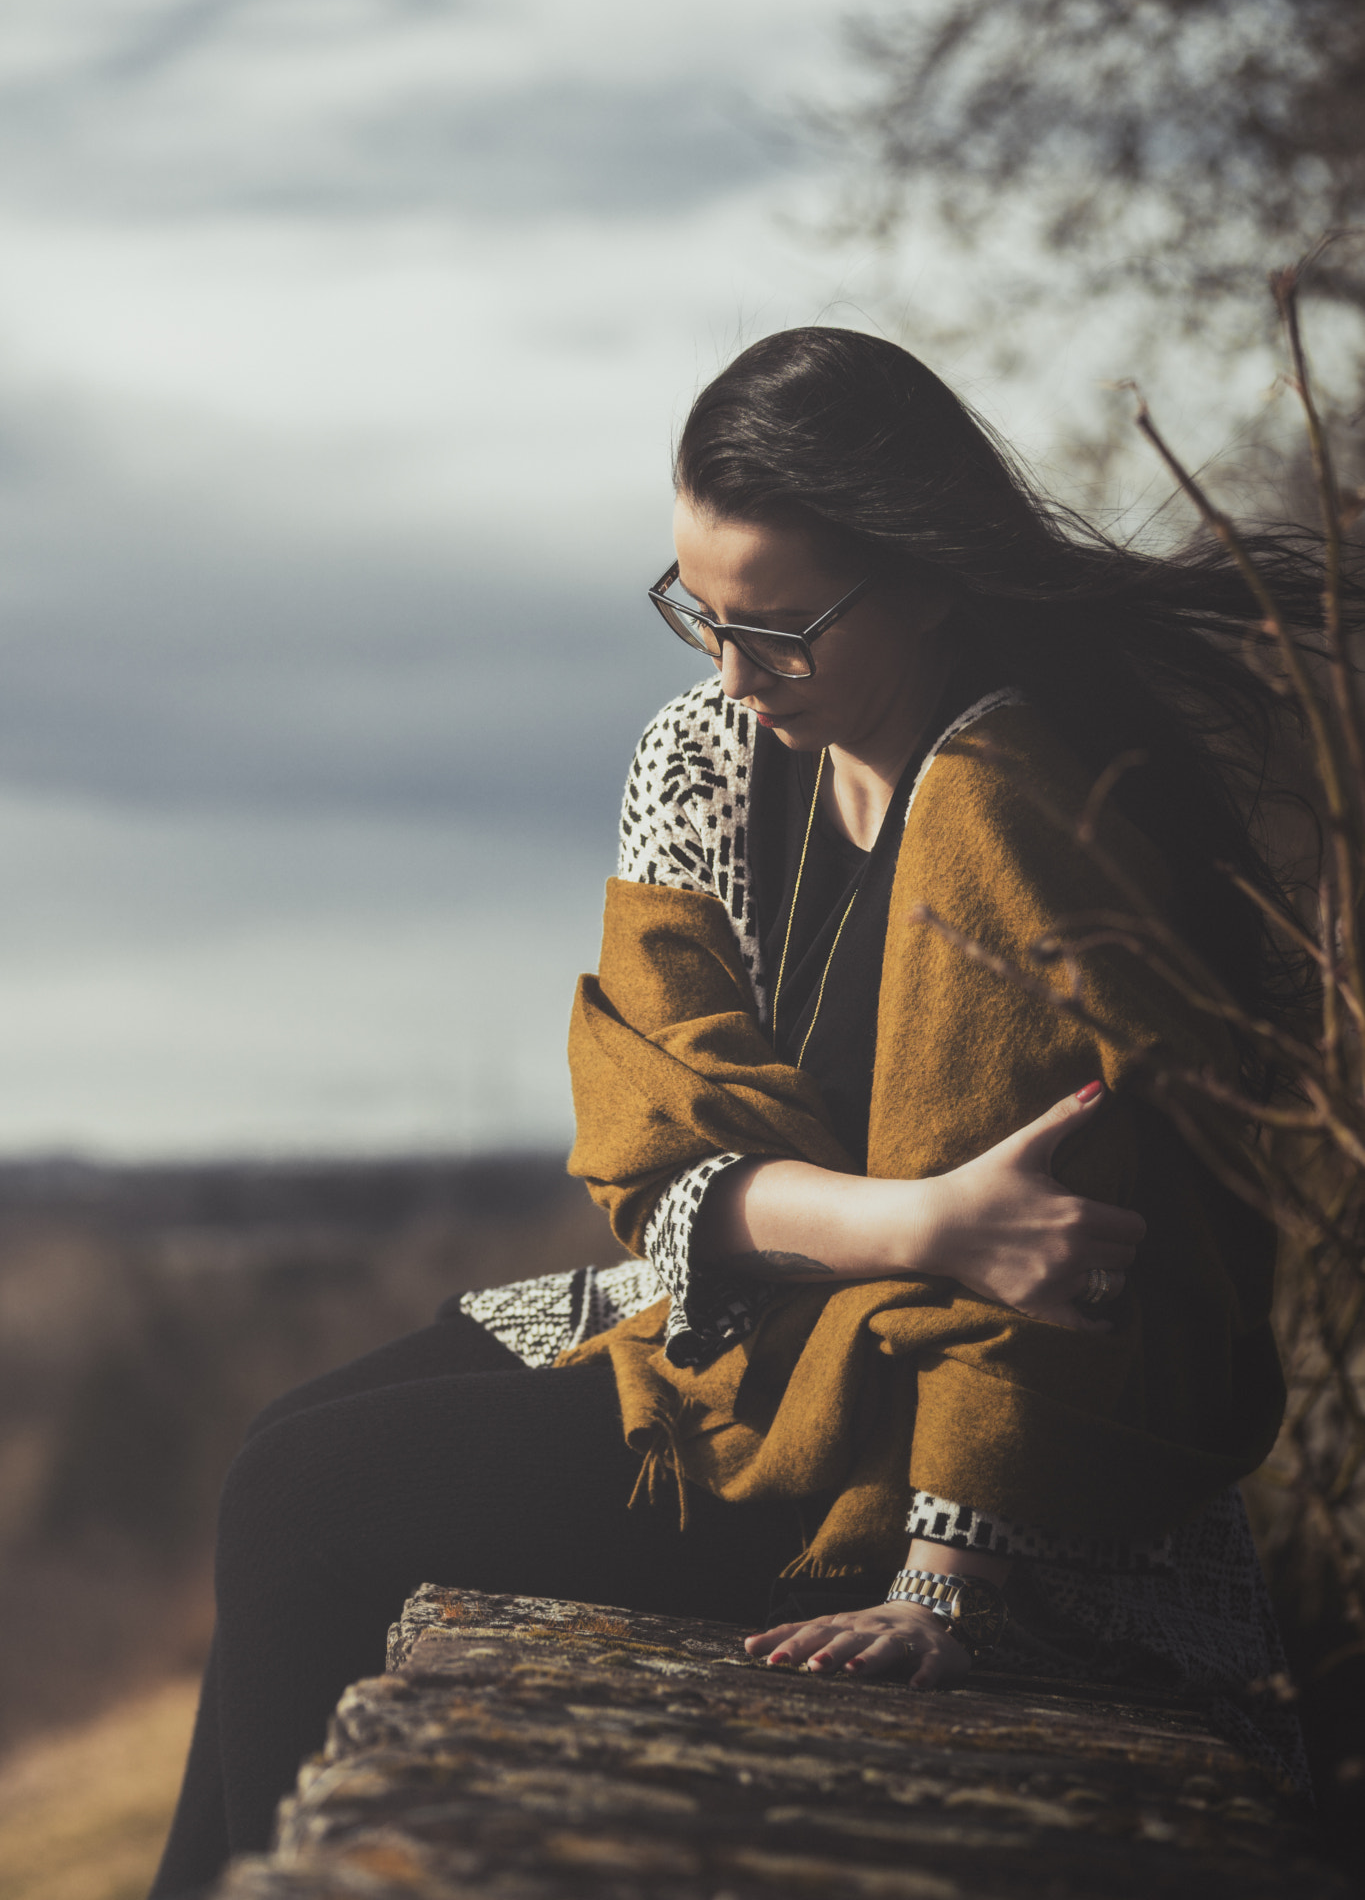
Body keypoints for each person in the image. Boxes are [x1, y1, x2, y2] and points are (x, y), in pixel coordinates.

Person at [150, 329, 1312, 1897]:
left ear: (928, 578)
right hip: (756, 1327)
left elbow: (1068, 1250)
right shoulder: (704, 757)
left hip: (946, 1451)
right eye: (699, 613)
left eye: (781, 630)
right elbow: (651, 1140)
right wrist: (915, 1221)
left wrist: (948, 1580)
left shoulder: (1010, 799)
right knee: (286, 1440)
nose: (732, 672)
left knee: (302, 1499)